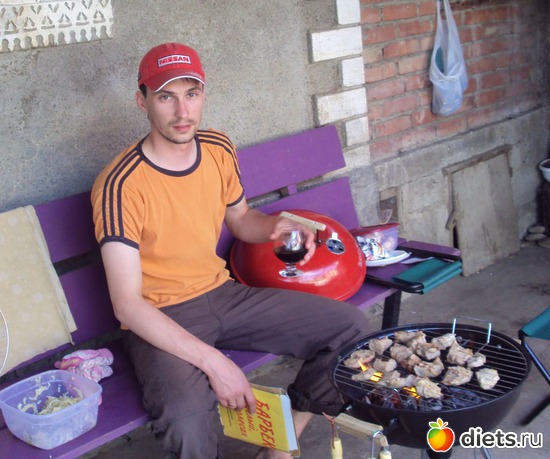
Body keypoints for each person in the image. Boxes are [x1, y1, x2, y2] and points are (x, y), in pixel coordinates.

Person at [91, 42, 371, 459]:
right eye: (166, 97)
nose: (182, 111)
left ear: (203, 95)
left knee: (353, 331)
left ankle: (281, 446)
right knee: (185, 422)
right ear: (142, 101)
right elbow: (128, 306)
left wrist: (274, 228)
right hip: (159, 315)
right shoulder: (119, 185)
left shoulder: (218, 148)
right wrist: (216, 363)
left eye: (191, 94)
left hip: (224, 295)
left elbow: (240, 219)